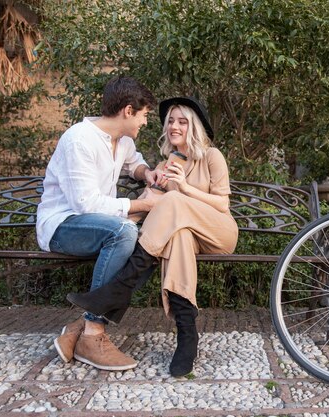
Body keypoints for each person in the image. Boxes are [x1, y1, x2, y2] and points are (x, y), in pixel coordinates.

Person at [65, 96, 238, 377]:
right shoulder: (167, 163)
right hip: (187, 236)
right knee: (178, 235)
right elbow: (147, 202)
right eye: (170, 120)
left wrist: (182, 187)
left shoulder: (211, 156)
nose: (174, 126)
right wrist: (116, 229)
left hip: (219, 231)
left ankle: (120, 287)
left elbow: (221, 205)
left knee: (172, 202)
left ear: (193, 127)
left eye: (182, 121)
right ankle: (187, 334)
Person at [36, 76, 160, 371]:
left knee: (149, 250)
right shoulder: (79, 139)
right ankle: (94, 334)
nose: (144, 122)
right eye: (144, 115)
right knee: (124, 231)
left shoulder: (123, 141)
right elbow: (85, 205)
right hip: (63, 226)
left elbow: (135, 163)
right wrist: (143, 205)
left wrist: (147, 174)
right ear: (128, 111)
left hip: (99, 227)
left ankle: (80, 328)